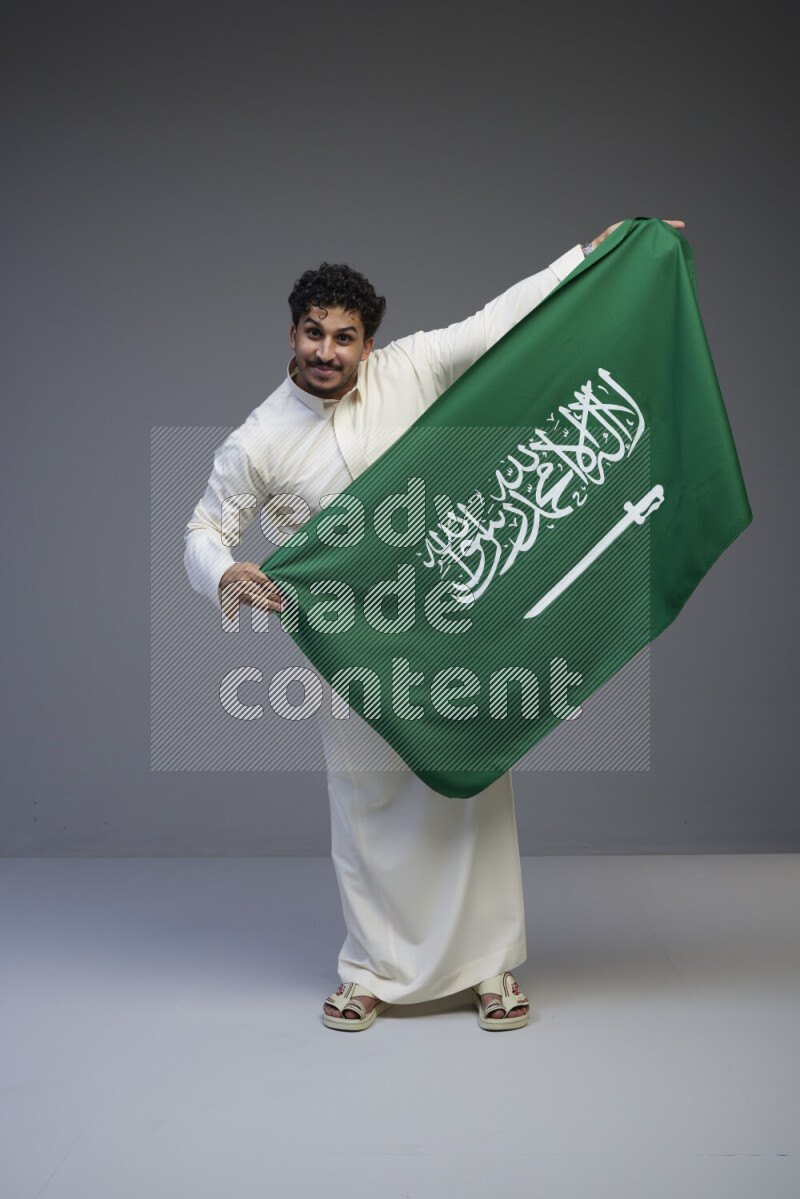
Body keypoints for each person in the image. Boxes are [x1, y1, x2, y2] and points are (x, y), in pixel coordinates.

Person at [183, 219, 685, 1031]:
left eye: (345, 337)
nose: (327, 350)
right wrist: (227, 572)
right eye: (314, 332)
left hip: (453, 617)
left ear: (369, 344)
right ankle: (372, 969)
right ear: (292, 332)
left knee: (473, 784)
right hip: (349, 641)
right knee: (366, 803)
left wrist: (598, 256)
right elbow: (202, 531)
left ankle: (490, 969)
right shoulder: (259, 440)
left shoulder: (413, 366)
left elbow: (502, 319)